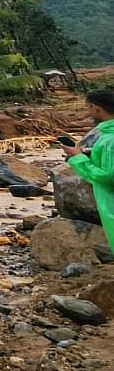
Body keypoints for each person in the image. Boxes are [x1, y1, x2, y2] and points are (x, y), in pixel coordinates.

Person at [61, 89, 114, 256]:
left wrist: (77, 158)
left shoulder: (109, 139)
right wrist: (90, 156)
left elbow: (106, 176)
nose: (88, 112)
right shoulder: (107, 136)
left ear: (96, 108)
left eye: (88, 108)